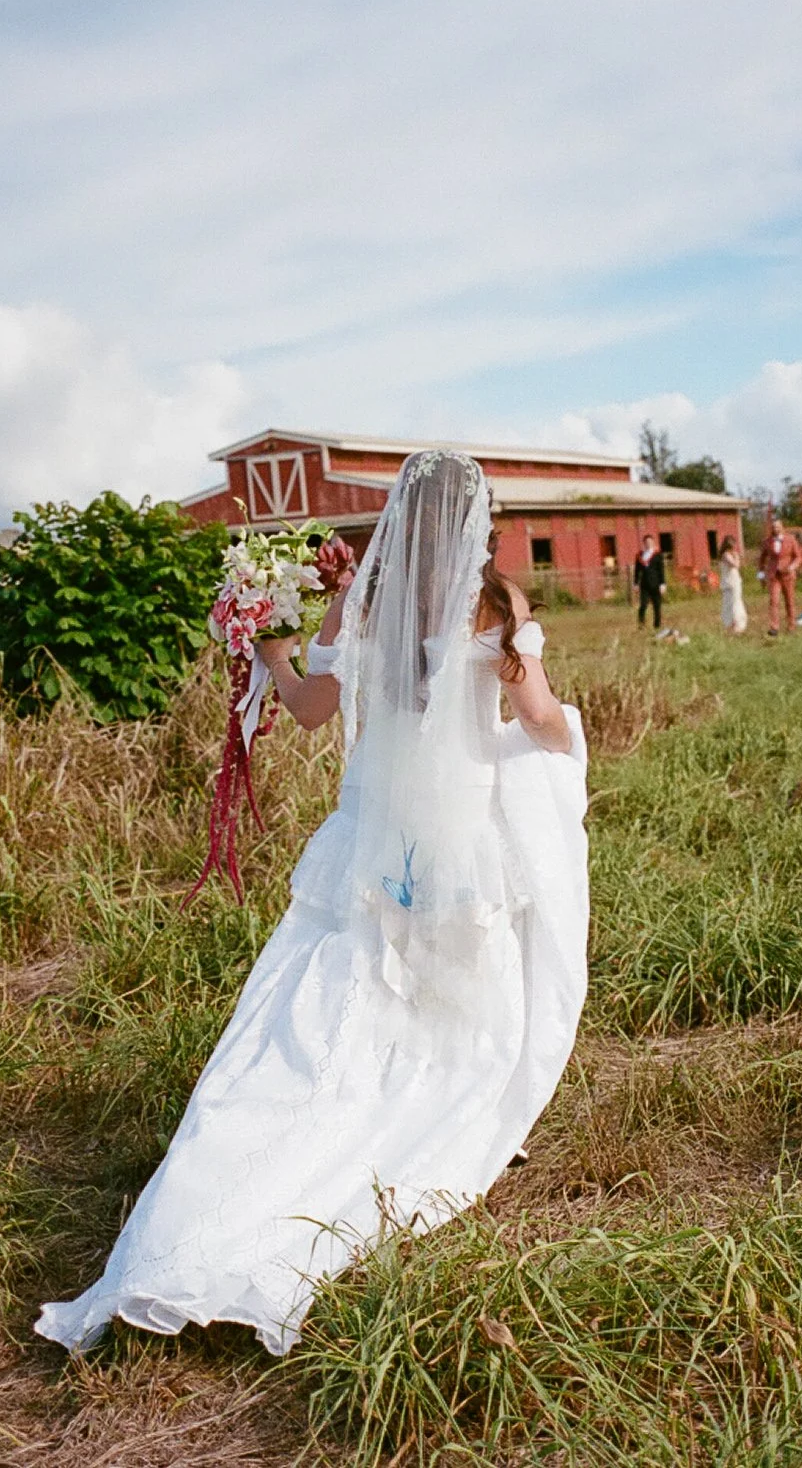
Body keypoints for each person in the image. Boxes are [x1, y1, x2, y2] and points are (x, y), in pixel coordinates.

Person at [35, 452, 590, 1358]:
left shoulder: (360, 604)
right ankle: (446, 1115)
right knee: (451, 981)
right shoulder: (501, 607)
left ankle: (267, 1155)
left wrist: (270, 653)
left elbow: (305, 712)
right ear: (475, 519)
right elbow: (535, 721)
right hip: (457, 840)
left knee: (336, 991)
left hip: (376, 837)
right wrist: (568, 737)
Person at [758, 519, 801, 636]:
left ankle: (791, 626)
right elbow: (761, 560)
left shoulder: (791, 539)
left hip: (788, 575)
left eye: (777, 527)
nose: (775, 529)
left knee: (789, 601)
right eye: (773, 527)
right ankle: (774, 627)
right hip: (773, 575)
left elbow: (798, 557)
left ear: (782, 527)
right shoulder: (767, 542)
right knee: (773, 601)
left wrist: (792, 567)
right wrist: (761, 576)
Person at [631, 534, 665, 630]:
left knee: (657, 606)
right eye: (646, 542)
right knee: (643, 605)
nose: (648, 544)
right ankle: (641, 624)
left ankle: (657, 625)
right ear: (644, 543)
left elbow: (661, 570)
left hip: (656, 584)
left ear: (653, 542)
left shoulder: (657, 554)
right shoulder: (639, 556)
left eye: (650, 542)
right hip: (644, 585)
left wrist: (662, 584)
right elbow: (637, 571)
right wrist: (635, 583)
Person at [716, 536, 749, 634]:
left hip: (729, 581)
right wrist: (737, 557)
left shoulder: (724, 555)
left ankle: (731, 623)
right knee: (734, 602)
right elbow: (736, 565)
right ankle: (737, 624)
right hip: (732, 582)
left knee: (730, 602)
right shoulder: (726, 555)